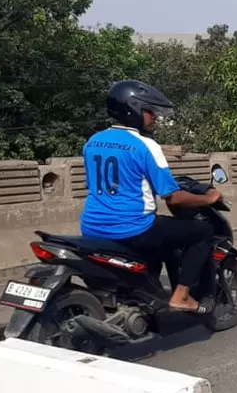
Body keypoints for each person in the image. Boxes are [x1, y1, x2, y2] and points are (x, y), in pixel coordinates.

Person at [79, 80, 221, 313]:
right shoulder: (145, 145)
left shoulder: (93, 141)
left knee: (164, 239)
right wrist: (209, 198)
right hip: (134, 228)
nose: (154, 116)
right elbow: (173, 197)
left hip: (92, 226)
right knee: (202, 232)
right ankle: (181, 296)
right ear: (132, 109)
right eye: (149, 110)